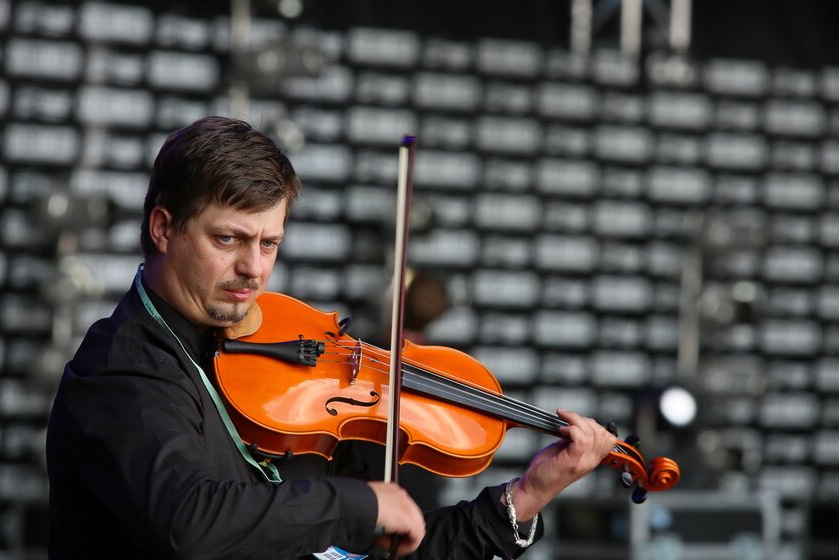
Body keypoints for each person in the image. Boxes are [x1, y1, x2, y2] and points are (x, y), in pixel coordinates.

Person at [46, 116, 617, 559]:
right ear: (164, 228)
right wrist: (358, 503)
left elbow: (373, 550)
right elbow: (189, 524)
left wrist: (527, 496)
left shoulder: (284, 369)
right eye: (229, 239)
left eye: (269, 244)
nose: (254, 269)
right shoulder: (119, 370)